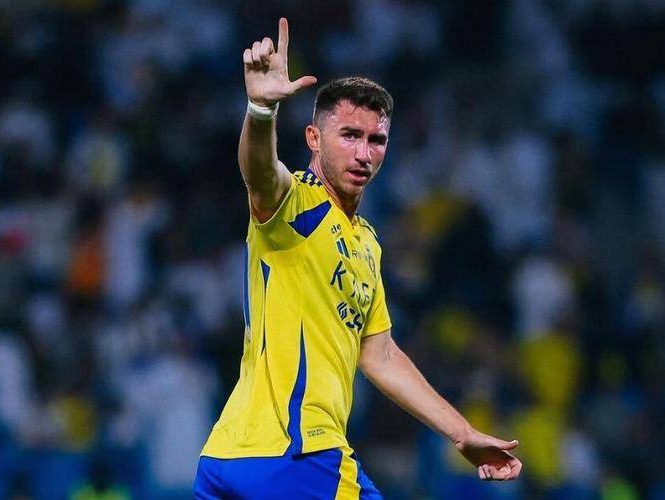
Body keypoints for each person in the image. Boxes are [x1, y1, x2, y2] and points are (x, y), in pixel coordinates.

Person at [194, 18, 522, 499]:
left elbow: (381, 354)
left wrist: (461, 432)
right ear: (313, 138)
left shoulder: (366, 242)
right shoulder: (298, 204)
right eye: (349, 135)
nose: (364, 153)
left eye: (376, 140)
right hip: (297, 453)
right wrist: (261, 110)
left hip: (229, 456)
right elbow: (259, 173)